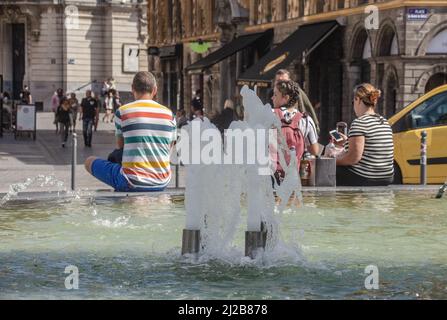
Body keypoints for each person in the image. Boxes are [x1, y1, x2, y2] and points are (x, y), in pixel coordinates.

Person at [84, 71, 176, 192]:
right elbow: (170, 148)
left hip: (131, 181)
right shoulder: (169, 114)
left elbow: (120, 148)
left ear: (132, 89)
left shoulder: (122, 112)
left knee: (89, 161)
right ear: (155, 90)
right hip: (162, 181)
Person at [335, 83, 394, 186]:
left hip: (366, 176)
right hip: (387, 176)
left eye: (353, 101)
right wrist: (347, 142)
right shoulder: (384, 122)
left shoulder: (360, 123)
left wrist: (332, 161)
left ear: (358, 99)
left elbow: (353, 158)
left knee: (326, 171)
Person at [272, 80, 306, 184]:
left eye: (275, 95)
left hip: (269, 176)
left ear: (285, 98)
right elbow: (314, 149)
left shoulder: (269, 114)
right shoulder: (305, 119)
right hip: (292, 177)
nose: (272, 98)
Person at [273, 69, 320, 134]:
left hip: (295, 127)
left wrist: (314, 125)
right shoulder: (271, 94)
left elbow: (306, 106)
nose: (281, 84)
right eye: (279, 81)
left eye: (284, 81)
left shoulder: (296, 92)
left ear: (289, 81)